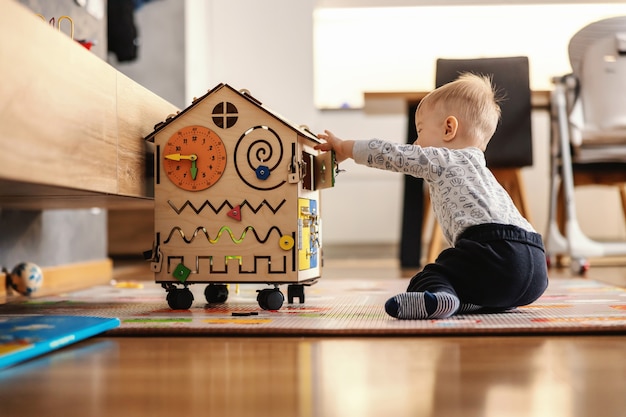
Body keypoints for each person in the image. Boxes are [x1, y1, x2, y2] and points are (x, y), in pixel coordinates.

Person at [315, 73, 548, 320]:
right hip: (535, 267)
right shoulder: (485, 173)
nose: (415, 142)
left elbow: (393, 154)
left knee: (432, 274)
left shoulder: (443, 158)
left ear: (449, 129)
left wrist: (344, 148)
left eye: (420, 131)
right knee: (468, 275)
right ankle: (469, 301)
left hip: (493, 253)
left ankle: (439, 298)